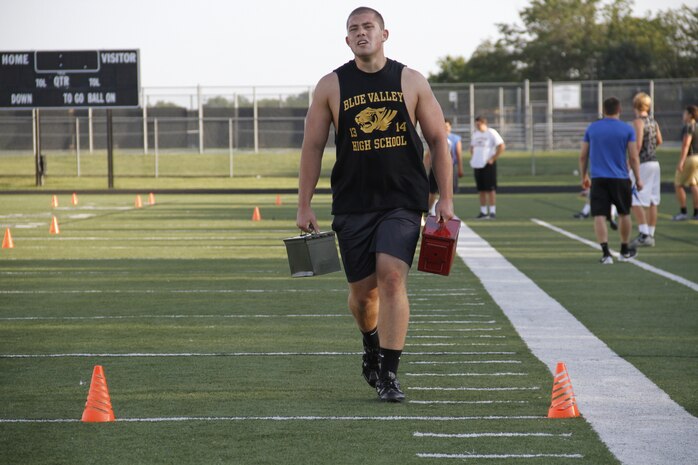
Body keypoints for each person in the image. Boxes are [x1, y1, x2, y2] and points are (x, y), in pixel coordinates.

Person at [296, 6, 454, 403]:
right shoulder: (330, 85)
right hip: (352, 203)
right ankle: (370, 342)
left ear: (385, 34)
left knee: (392, 277)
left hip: (403, 200)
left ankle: (388, 373)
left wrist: (446, 199)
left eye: (369, 27)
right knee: (363, 295)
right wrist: (304, 204)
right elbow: (312, 146)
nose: (362, 33)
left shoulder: (411, 80)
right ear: (347, 40)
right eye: (354, 29)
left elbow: (438, 140)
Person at [579, 97, 643, 264]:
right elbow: (634, 157)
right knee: (624, 213)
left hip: (599, 178)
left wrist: (583, 176)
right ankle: (623, 250)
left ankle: (606, 253)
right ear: (619, 109)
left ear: (604, 110)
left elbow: (583, 155)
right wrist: (638, 178)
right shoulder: (627, 129)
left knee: (599, 214)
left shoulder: (592, 128)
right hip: (620, 178)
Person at [629, 92, 663, 247]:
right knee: (652, 200)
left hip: (642, 163)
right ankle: (651, 234)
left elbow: (637, 144)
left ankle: (643, 233)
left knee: (634, 198)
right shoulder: (653, 121)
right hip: (654, 163)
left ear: (636, 105)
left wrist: (630, 163)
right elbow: (659, 140)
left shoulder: (638, 122)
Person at [425, 119, 462, 215]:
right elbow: (429, 154)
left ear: (450, 127)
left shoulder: (454, 138)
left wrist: (460, 167)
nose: (445, 128)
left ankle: (449, 209)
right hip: (436, 167)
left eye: (447, 126)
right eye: (444, 126)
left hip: (450, 167)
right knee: (432, 190)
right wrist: (425, 167)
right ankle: (428, 210)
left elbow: (458, 153)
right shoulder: (437, 137)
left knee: (449, 190)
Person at [470, 116, 504, 219]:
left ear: (483, 123)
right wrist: (474, 157)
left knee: (490, 189)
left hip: (488, 165)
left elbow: (501, 146)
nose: (477, 126)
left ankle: (492, 211)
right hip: (478, 165)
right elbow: (472, 147)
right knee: (481, 189)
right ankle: (483, 212)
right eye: (476, 124)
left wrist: (493, 158)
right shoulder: (475, 134)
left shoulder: (491, 132)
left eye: (479, 124)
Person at [672, 105, 698, 221]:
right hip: (697, 157)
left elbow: (686, 144)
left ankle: (683, 212)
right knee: (693, 184)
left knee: (678, 184)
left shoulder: (689, 127)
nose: (683, 116)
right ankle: (696, 212)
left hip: (690, 158)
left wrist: (681, 161)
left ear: (690, 115)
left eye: (685, 113)